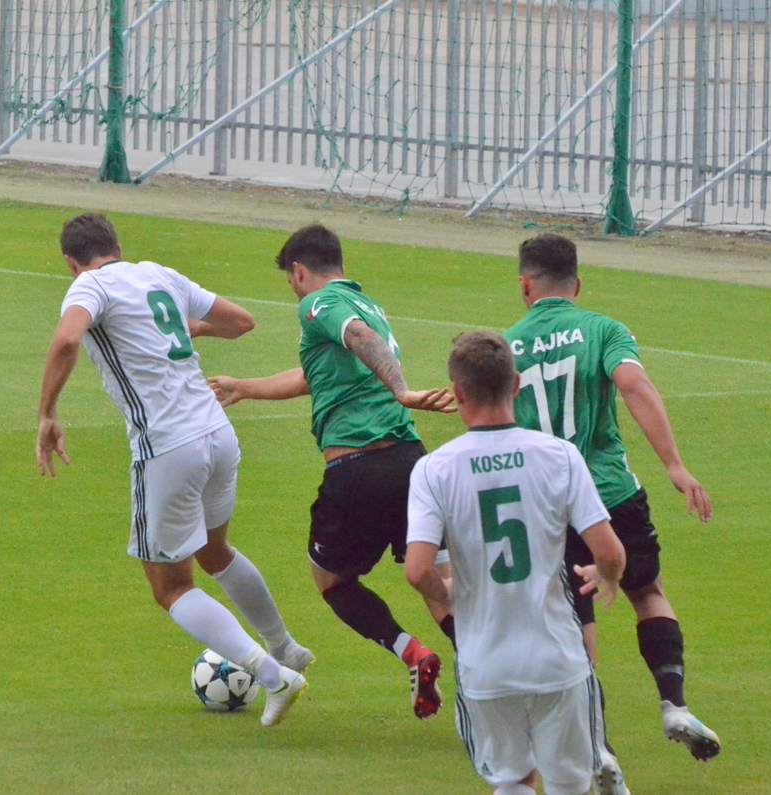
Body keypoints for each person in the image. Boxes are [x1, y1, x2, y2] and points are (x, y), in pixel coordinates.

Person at [35, 212, 311, 727]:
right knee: (214, 550)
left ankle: (274, 675)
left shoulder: (90, 286)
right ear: (118, 246)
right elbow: (241, 322)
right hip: (218, 432)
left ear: (71, 262)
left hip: (167, 446)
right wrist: (196, 327)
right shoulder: (159, 274)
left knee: (170, 587)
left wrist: (47, 413)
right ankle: (284, 645)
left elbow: (67, 340)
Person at [208, 224, 456, 719]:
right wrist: (245, 387)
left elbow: (359, 339)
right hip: (413, 462)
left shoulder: (318, 305)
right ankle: (493, 681)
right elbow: (316, 374)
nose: (293, 290)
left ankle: (411, 652)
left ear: (300, 271)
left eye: (291, 280)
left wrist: (403, 391)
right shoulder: (369, 305)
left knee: (332, 581)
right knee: (440, 584)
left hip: (357, 470)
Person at [505, 233, 720, 760]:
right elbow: (633, 385)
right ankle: (674, 705)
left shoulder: (505, 346)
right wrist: (674, 465)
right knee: (646, 592)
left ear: (525, 285)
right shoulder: (604, 329)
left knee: (575, 618)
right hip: (610, 493)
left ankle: (597, 745)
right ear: (577, 284)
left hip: (548, 502)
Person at [404, 330, 627, 795]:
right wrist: (606, 576)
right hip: (557, 658)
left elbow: (418, 569)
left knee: (512, 780)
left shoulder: (434, 468)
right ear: (517, 384)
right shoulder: (559, 455)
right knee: (570, 783)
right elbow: (609, 552)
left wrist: (447, 595)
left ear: (458, 392)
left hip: (485, 664)